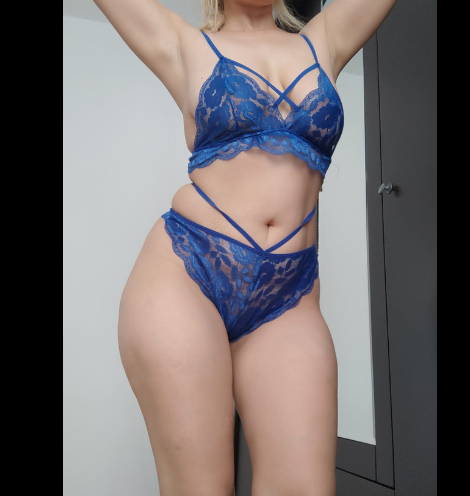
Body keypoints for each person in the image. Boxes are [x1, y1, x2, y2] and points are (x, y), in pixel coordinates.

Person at [93, 1, 396, 494]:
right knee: (202, 487)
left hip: (289, 296)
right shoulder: (183, 44)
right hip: (188, 272)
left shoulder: (325, 39)